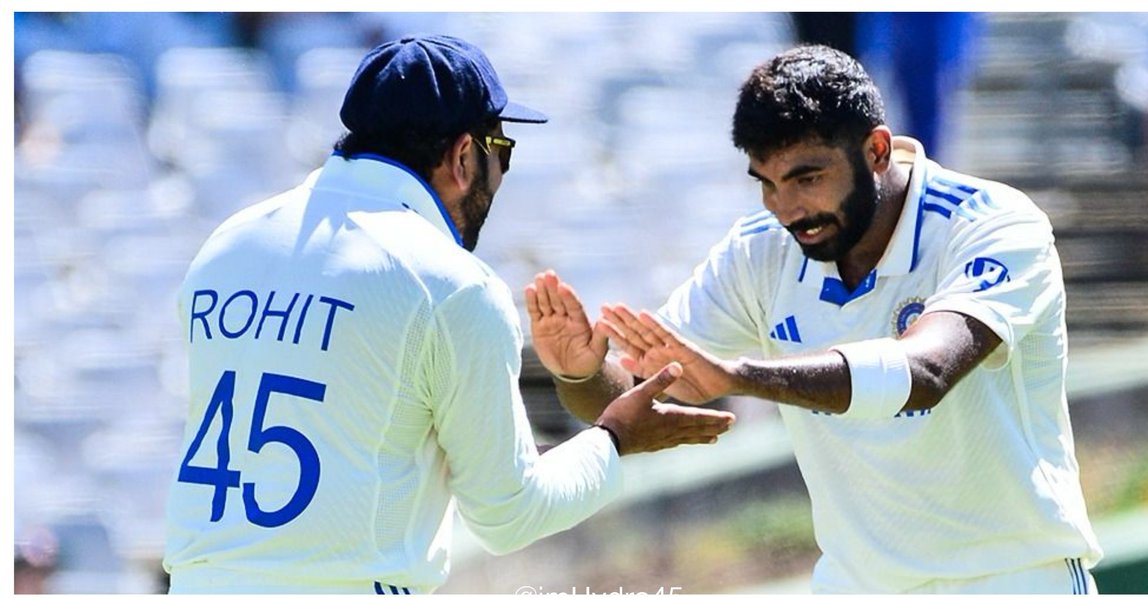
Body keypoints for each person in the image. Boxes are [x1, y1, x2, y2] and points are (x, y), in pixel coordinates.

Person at [162, 35, 735, 594]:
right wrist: (614, 439)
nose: (502, 173)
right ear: (464, 155)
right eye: (502, 151)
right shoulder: (450, 284)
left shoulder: (228, 244)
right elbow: (509, 513)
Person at [527, 44, 1102, 593]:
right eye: (767, 184)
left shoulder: (994, 223)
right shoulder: (758, 250)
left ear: (876, 150)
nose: (787, 209)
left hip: (1014, 579)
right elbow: (629, 394)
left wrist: (740, 376)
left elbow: (925, 372)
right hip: (853, 584)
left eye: (807, 178)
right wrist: (583, 373)